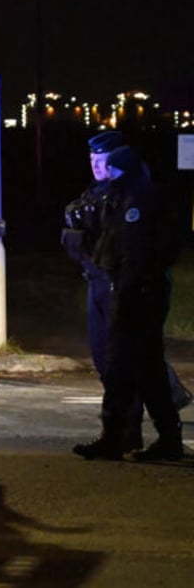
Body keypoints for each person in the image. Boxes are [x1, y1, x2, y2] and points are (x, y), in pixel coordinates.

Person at [63, 132, 191, 453]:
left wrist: (126, 295)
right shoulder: (124, 197)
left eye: (110, 167)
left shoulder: (137, 201)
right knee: (144, 366)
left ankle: (117, 436)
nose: (106, 174)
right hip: (129, 289)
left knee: (120, 364)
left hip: (133, 292)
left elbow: (133, 254)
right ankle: (164, 437)